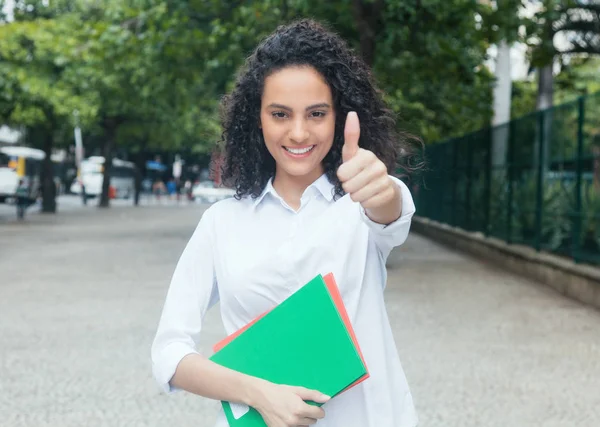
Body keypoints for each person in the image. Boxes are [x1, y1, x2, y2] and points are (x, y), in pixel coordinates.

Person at [151, 19, 422, 427]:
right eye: (280, 114)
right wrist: (258, 393)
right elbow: (169, 354)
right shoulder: (221, 224)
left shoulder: (361, 205)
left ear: (339, 117)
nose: (298, 133)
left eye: (316, 113)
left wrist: (382, 189)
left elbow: (392, 212)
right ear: (256, 119)